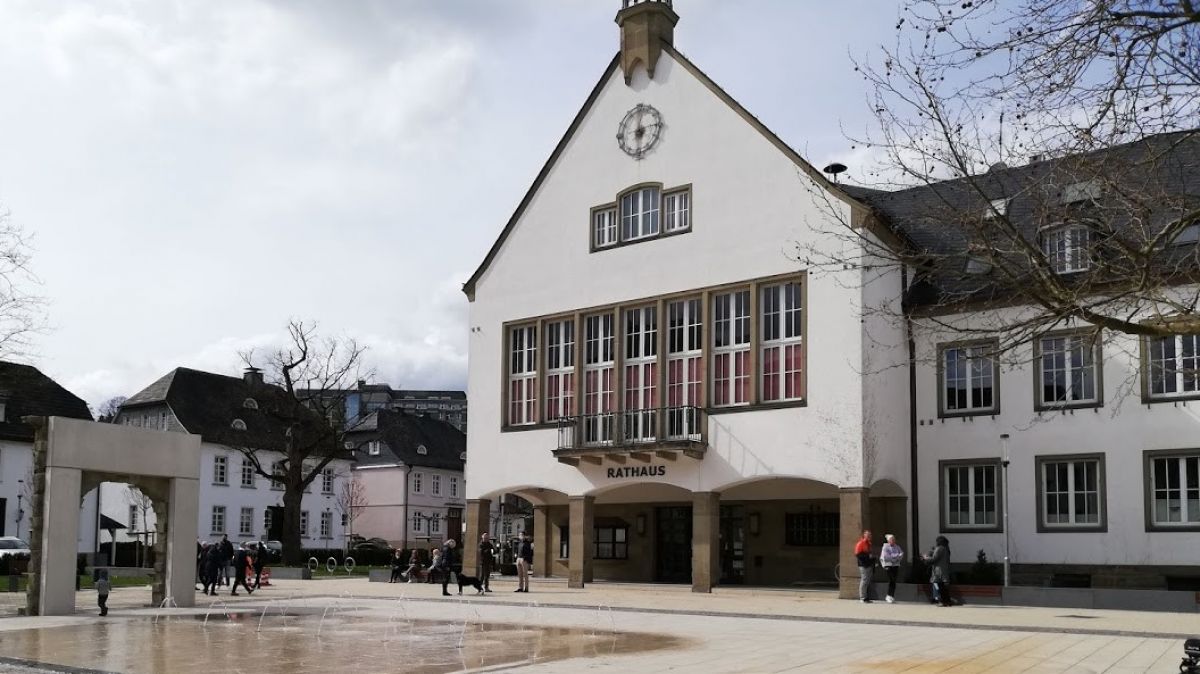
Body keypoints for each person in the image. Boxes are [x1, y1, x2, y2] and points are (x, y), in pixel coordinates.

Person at [925, 536, 952, 607]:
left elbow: (934, 559)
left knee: (938, 586)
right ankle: (947, 601)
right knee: (944, 587)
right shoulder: (946, 548)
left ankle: (941, 601)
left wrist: (926, 558)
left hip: (938, 571)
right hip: (944, 570)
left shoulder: (940, 548)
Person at [879, 534, 904, 604]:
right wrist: (896, 557)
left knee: (894, 581)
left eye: (894, 539)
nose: (893, 541)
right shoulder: (885, 547)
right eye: (892, 539)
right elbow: (886, 557)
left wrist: (894, 557)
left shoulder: (897, 546)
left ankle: (891, 596)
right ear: (888, 541)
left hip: (895, 566)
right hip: (888, 566)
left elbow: (901, 554)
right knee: (891, 580)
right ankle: (888, 595)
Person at [854, 530, 874, 603]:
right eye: (868, 535)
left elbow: (870, 554)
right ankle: (862, 597)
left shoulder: (869, 544)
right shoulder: (861, 543)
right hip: (863, 565)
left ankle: (866, 597)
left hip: (868, 564)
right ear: (864, 536)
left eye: (870, 535)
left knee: (867, 581)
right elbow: (858, 554)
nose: (869, 537)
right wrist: (868, 556)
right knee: (864, 580)